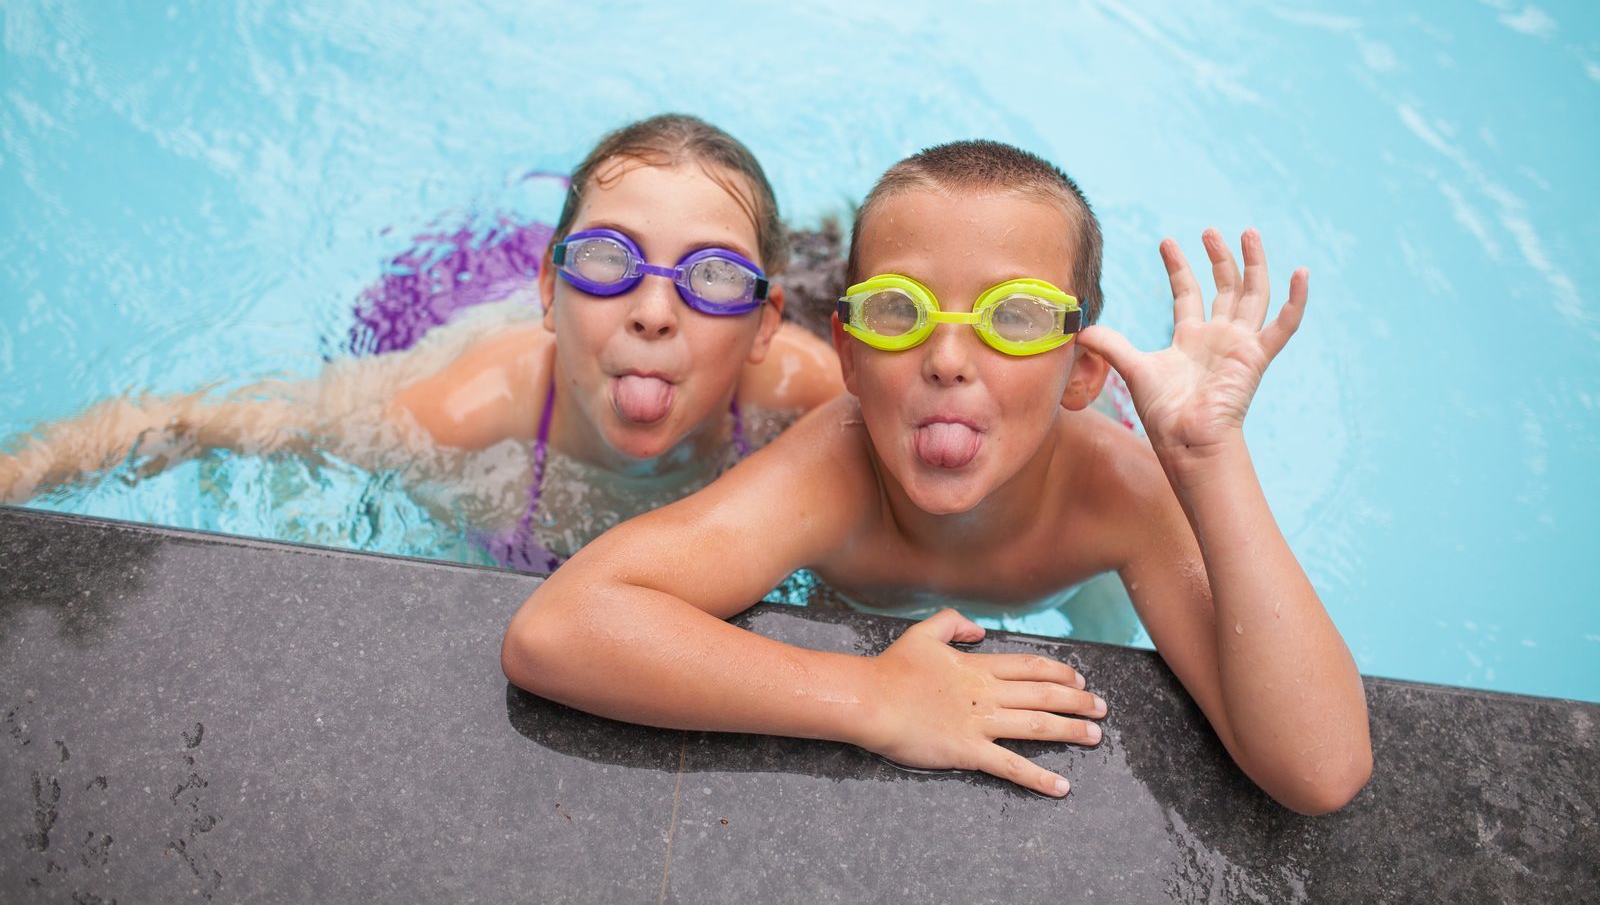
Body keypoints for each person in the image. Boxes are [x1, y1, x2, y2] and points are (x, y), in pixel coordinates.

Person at [501, 139, 1372, 814]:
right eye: (898, 311)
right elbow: (560, 629)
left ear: (1082, 372)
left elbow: (1321, 769)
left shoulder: (1121, 490)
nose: (949, 358)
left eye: (1014, 318)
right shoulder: (834, 463)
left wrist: (1209, 461)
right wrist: (868, 696)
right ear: (845, 357)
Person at [0, 115, 845, 568]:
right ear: (551, 293)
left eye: (716, 277)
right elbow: (210, 420)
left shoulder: (801, 392)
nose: (655, 309)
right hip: (448, 308)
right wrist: (22, 472)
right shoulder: (465, 406)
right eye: (605, 258)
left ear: (764, 327)